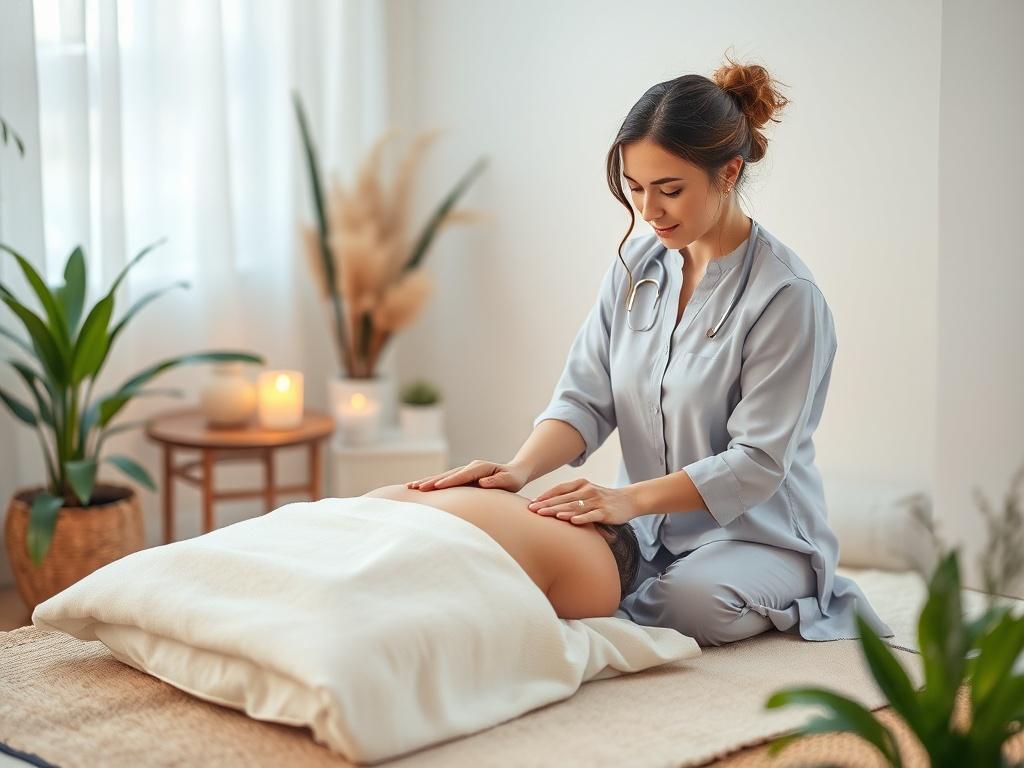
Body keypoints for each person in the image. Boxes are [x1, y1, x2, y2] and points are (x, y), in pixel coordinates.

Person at [406, 51, 894, 648]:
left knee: (686, 606)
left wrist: (624, 500)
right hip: (644, 527)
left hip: (758, 537)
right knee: (547, 568)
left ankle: (794, 590)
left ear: (729, 173)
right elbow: (584, 399)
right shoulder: (637, 268)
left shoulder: (787, 297)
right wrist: (519, 469)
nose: (648, 211)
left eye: (669, 189)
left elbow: (757, 462)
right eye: (634, 188)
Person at [362, 483, 639, 620]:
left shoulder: (504, 497)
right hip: (414, 548)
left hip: (347, 512)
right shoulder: (594, 552)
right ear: (607, 531)